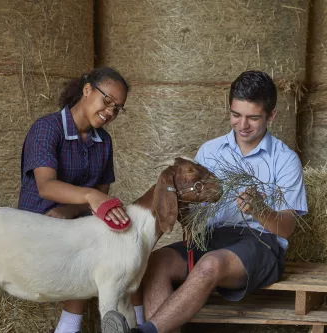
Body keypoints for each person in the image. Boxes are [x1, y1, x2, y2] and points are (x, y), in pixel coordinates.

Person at [101, 70, 308, 333]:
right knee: (155, 263)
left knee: (210, 263)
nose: (242, 124)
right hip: (211, 237)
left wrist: (260, 210)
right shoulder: (209, 151)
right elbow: (193, 206)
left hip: (260, 244)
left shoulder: (285, 159)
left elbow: (287, 228)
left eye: (253, 117)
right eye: (236, 114)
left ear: (272, 115)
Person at [18, 67, 134, 333]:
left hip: (76, 224)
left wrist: (74, 208)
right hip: (39, 222)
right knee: (91, 247)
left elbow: (101, 194)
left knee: (114, 241)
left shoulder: (103, 141)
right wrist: (90, 196)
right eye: (107, 101)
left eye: (118, 108)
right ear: (87, 90)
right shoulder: (47, 128)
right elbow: (46, 186)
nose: (110, 112)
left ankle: (73, 327)